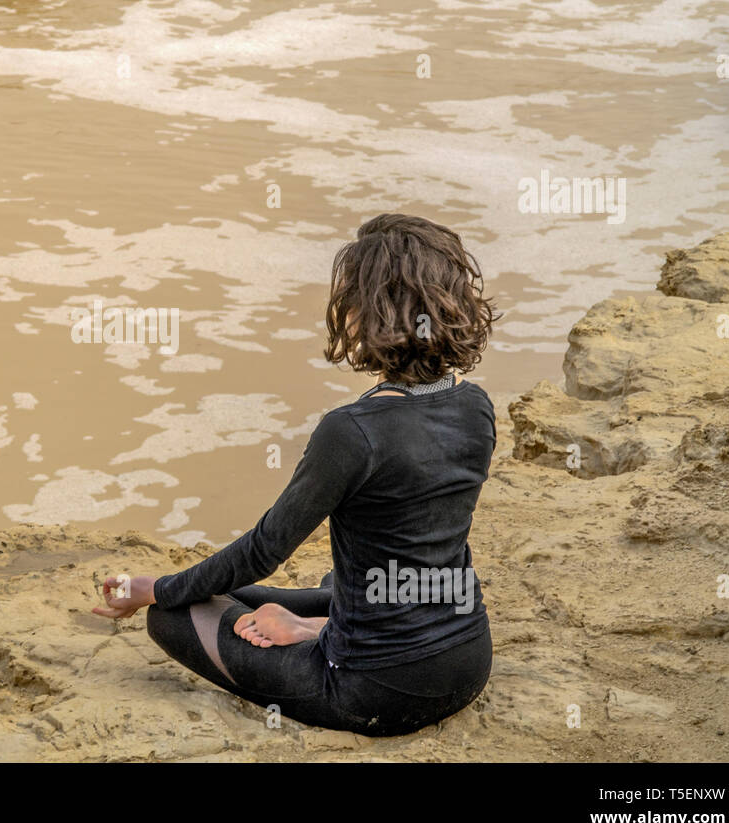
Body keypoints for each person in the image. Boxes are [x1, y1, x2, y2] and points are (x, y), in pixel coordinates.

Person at [92, 213, 502, 735]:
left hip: (374, 689)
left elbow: (265, 550)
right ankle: (314, 623)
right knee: (308, 589)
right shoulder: (475, 405)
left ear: (365, 311)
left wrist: (156, 588)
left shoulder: (351, 431)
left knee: (176, 613)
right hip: (468, 659)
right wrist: (311, 621)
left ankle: (314, 633)